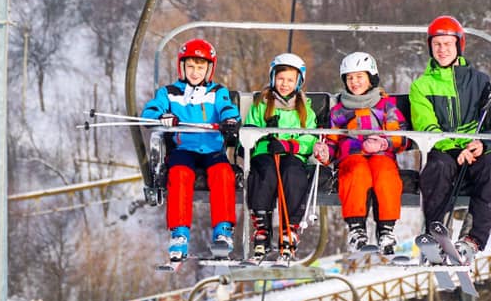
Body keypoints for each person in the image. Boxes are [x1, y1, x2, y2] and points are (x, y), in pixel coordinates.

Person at [409, 15, 491, 261]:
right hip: (443, 150)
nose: (442, 50)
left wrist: (482, 144)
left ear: (458, 45)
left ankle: (473, 240)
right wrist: (454, 149)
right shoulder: (422, 86)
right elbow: (426, 126)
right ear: (430, 47)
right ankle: (436, 232)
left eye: (447, 44)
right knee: (439, 167)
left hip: (475, 150)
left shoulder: (481, 82)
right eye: (437, 45)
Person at [141, 38, 242, 261]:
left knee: (223, 175)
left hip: (212, 148)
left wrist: (230, 121)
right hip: (183, 148)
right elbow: (149, 114)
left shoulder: (217, 92)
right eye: (190, 67)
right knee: (179, 175)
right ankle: (179, 233)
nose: (195, 72)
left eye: (200, 67)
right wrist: (162, 117)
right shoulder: (169, 93)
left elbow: (228, 109)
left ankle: (223, 231)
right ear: (181, 67)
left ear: (209, 69)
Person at [313, 52, 407, 254]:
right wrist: (324, 152)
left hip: (381, 155)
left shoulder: (385, 107)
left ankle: (386, 229)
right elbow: (332, 141)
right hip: (351, 156)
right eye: (350, 78)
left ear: (370, 78)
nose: (354, 82)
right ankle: (357, 228)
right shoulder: (339, 111)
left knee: (385, 174)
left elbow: (401, 136)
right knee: (356, 172)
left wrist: (383, 143)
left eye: (359, 77)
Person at [245, 53, 317, 260]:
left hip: (292, 154)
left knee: (292, 174)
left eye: (290, 80)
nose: (284, 84)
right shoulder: (262, 104)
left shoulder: (305, 110)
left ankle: (289, 229)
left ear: (298, 82)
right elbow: (249, 131)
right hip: (266, 152)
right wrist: (263, 135)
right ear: (272, 78)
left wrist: (289, 144)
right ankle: (262, 228)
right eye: (280, 79)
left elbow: (309, 140)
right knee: (264, 173)